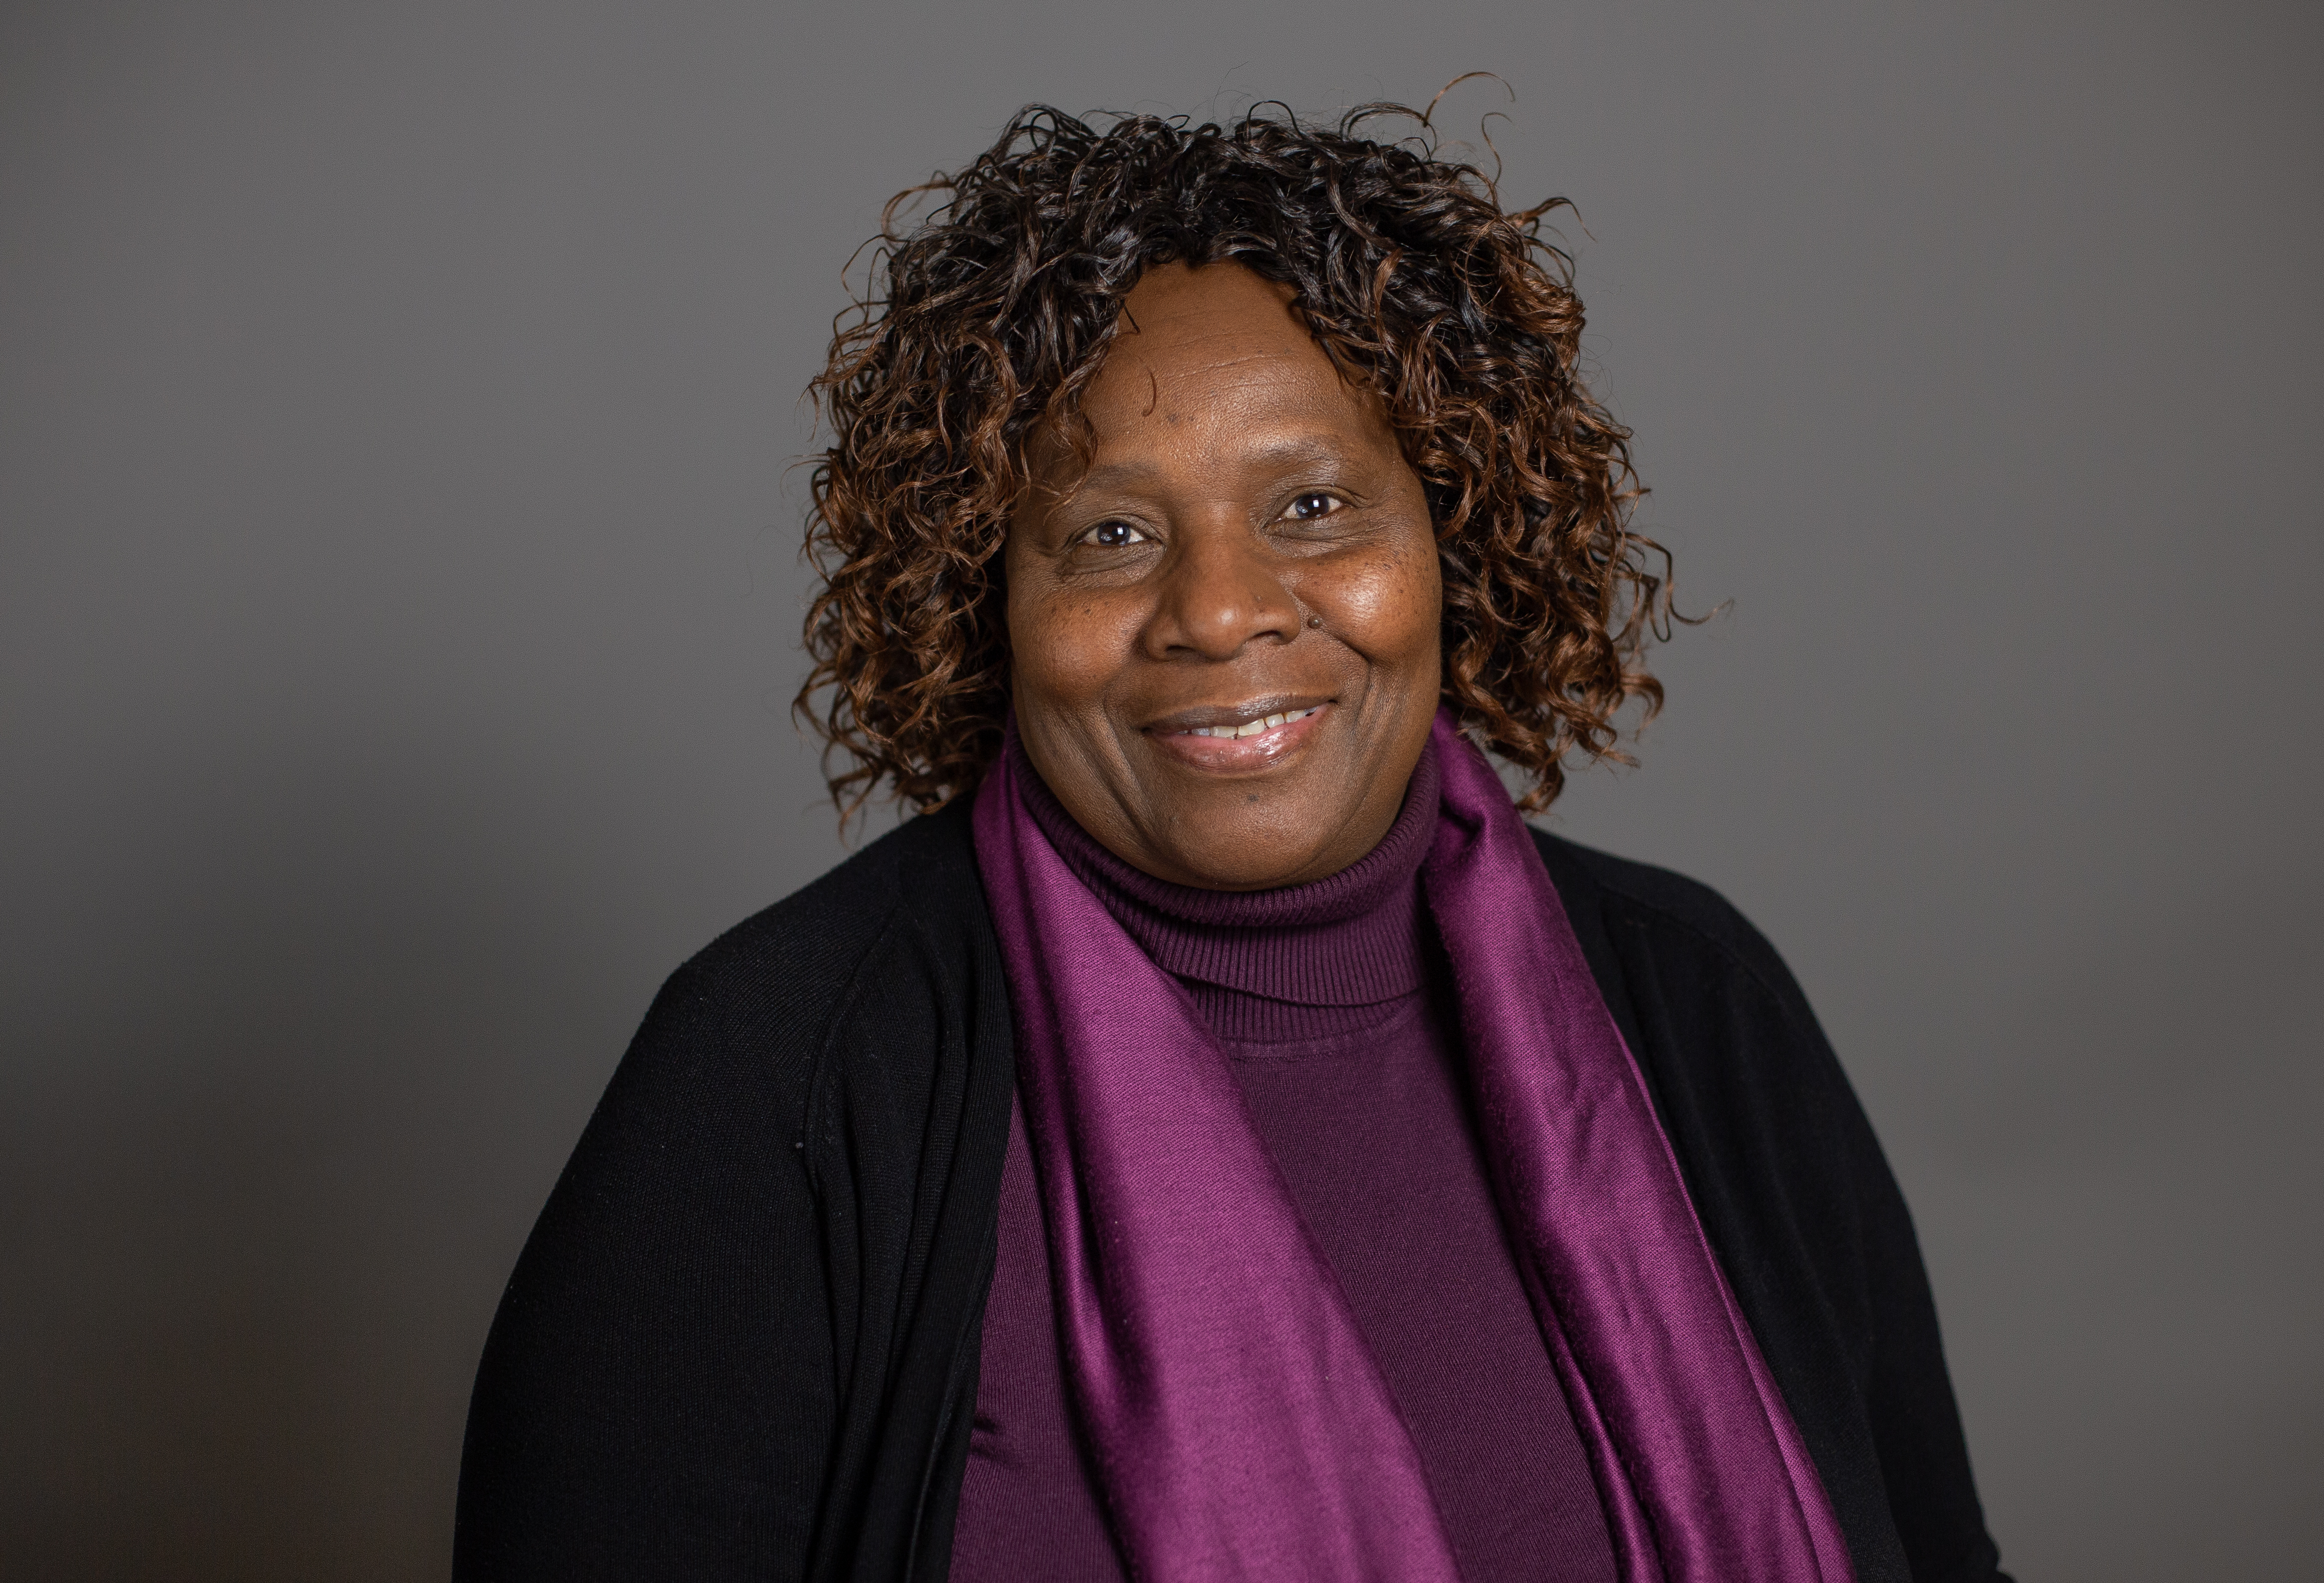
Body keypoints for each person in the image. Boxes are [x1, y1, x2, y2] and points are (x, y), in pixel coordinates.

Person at [454, 103, 2011, 1583]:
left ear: (1450, 538)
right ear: (985, 592)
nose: (1216, 610)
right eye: (1111, 534)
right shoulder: (777, 1072)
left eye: (1317, 505)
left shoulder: (1701, 1008)